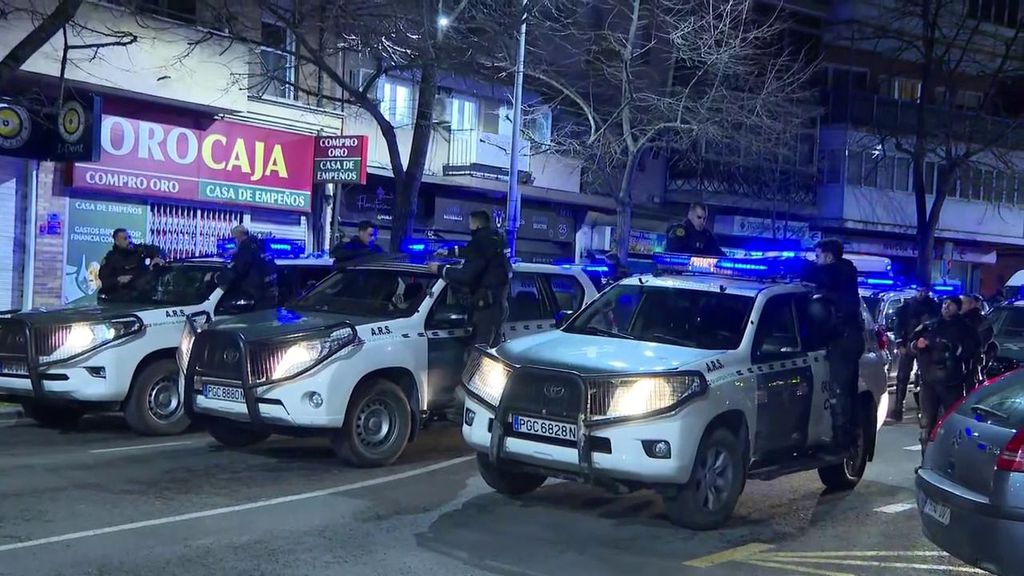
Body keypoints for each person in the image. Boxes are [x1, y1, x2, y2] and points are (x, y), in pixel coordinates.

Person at [804, 238, 865, 452]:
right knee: (846, 391)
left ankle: (841, 442)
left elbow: (819, 275)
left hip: (843, 341)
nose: (816, 260)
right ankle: (848, 438)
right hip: (848, 338)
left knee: (840, 391)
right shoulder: (843, 274)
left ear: (829, 257)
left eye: (818, 256)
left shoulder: (837, 274)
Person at [429, 210, 512, 349]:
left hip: (486, 307)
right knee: (492, 348)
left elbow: (465, 276)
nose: (469, 227)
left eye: (470, 223)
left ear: (477, 225)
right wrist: (449, 251)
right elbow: (475, 253)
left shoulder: (480, 242)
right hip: (499, 303)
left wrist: (440, 269)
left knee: (480, 350)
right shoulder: (496, 239)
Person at [913, 297, 977, 453]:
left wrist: (952, 348)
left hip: (952, 382)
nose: (946, 306)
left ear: (958, 308)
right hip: (929, 381)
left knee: (951, 422)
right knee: (926, 423)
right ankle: (926, 459)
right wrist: (917, 344)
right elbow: (911, 344)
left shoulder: (965, 329)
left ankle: (947, 458)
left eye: (951, 304)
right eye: (944, 303)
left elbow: (973, 350)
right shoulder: (930, 326)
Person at [890, 285, 941, 422]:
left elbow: (937, 325)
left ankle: (923, 408)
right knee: (902, 377)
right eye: (919, 290)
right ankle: (898, 407)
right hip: (908, 344)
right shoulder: (906, 307)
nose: (921, 293)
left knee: (924, 377)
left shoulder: (934, 306)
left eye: (924, 291)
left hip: (926, 345)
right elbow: (898, 326)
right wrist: (900, 344)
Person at [215, 225, 278, 309]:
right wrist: (238, 251)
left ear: (239, 236)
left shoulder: (244, 253)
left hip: (251, 301)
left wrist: (216, 277)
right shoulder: (261, 248)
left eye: (234, 238)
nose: (234, 241)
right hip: (271, 299)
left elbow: (233, 272)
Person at [98, 228, 166, 299]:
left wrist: (158, 257)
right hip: (121, 296)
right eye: (125, 239)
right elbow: (104, 281)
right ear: (117, 242)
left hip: (143, 293)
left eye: (129, 237)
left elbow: (159, 250)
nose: (129, 241)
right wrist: (118, 280)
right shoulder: (110, 259)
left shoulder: (140, 250)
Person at [960, 293, 993, 389]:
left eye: (963, 303)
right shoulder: (958, 319)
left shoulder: (979, 321)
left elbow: (983, 339)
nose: (960, 305)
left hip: (971, 362)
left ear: (972, 305)